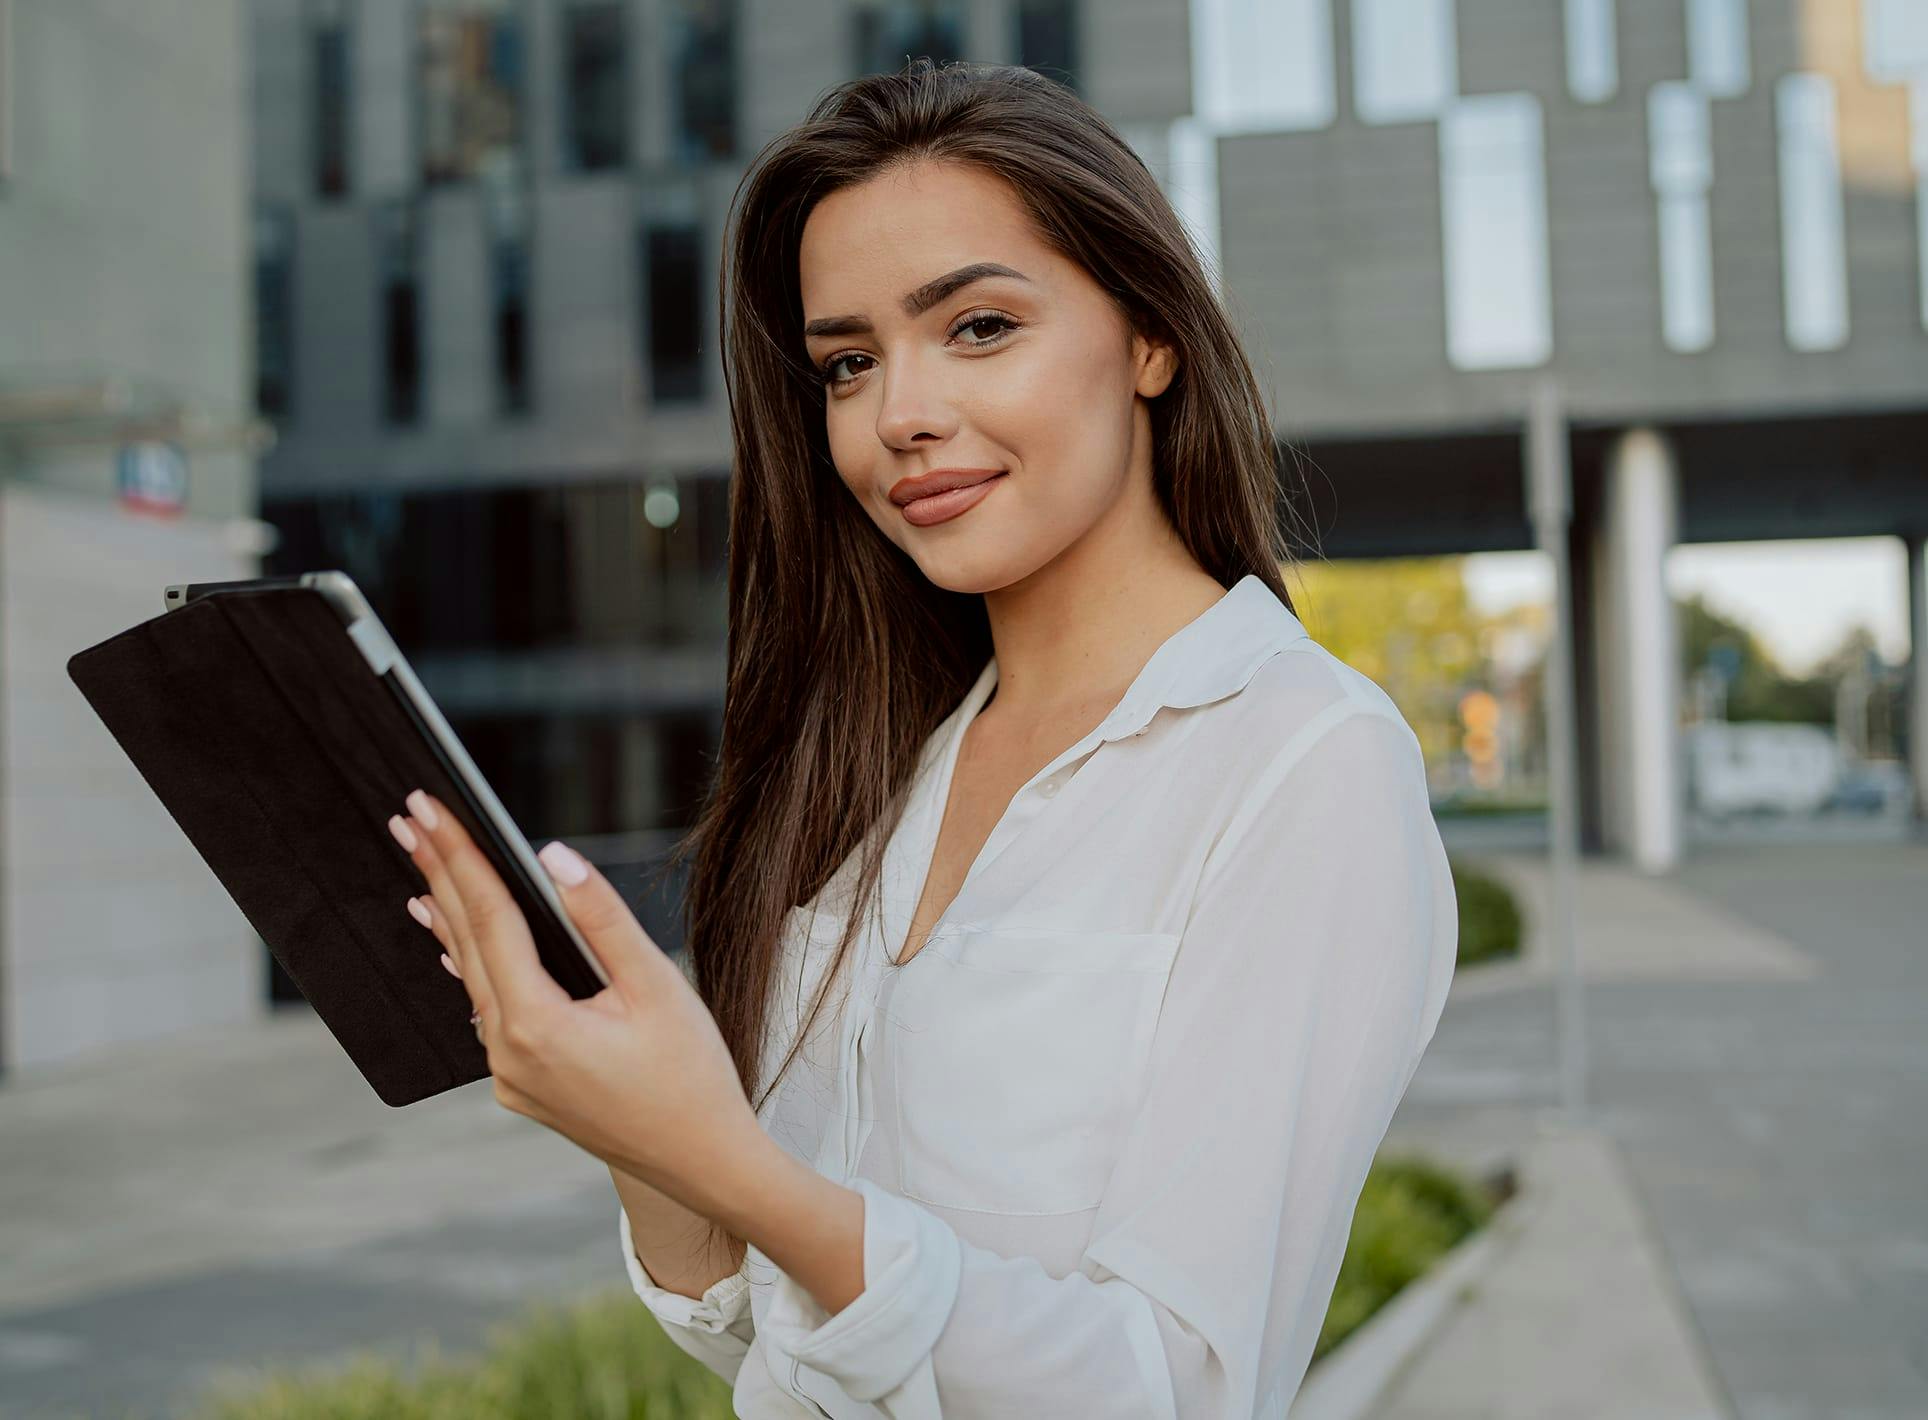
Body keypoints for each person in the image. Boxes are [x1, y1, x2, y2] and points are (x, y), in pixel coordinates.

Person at [391, 58, 1457, 1420]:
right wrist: (635, 1131)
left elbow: (1173, 1389)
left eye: (979, 327)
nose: (899, 415)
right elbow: (765, 1336)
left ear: (1150, 339)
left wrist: (728, 1165)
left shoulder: (1304, 764)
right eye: (847, 362)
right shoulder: (878, 768)